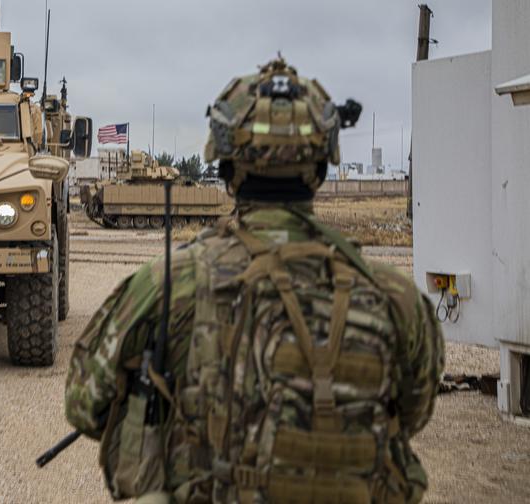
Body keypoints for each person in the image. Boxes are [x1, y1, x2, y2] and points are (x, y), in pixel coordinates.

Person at [64, 57, 443, 503]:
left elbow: (85, 404)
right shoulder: (393, 296)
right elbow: (414, 410)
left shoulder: (168, 284)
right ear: (322, 167)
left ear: (226, 167)